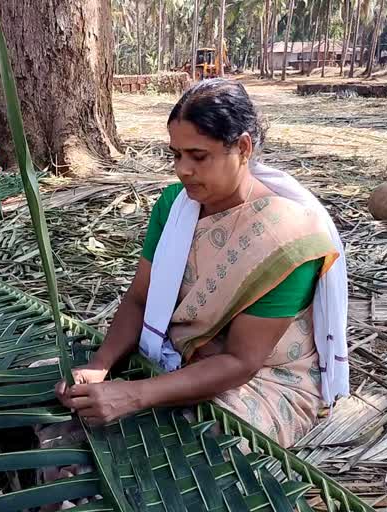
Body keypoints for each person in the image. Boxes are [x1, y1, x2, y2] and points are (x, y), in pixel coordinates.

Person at [55, 79, 349, 448]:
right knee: (64, 398)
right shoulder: (175, 207)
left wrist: (133, 395)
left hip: (262, 381)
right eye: (176, 155)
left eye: (198, 156)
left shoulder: (285, 237)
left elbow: (242, 361)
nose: (183, 170)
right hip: (176, 357)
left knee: (192, 446)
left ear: (243, 147)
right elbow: (139, 299)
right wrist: (100, 365)